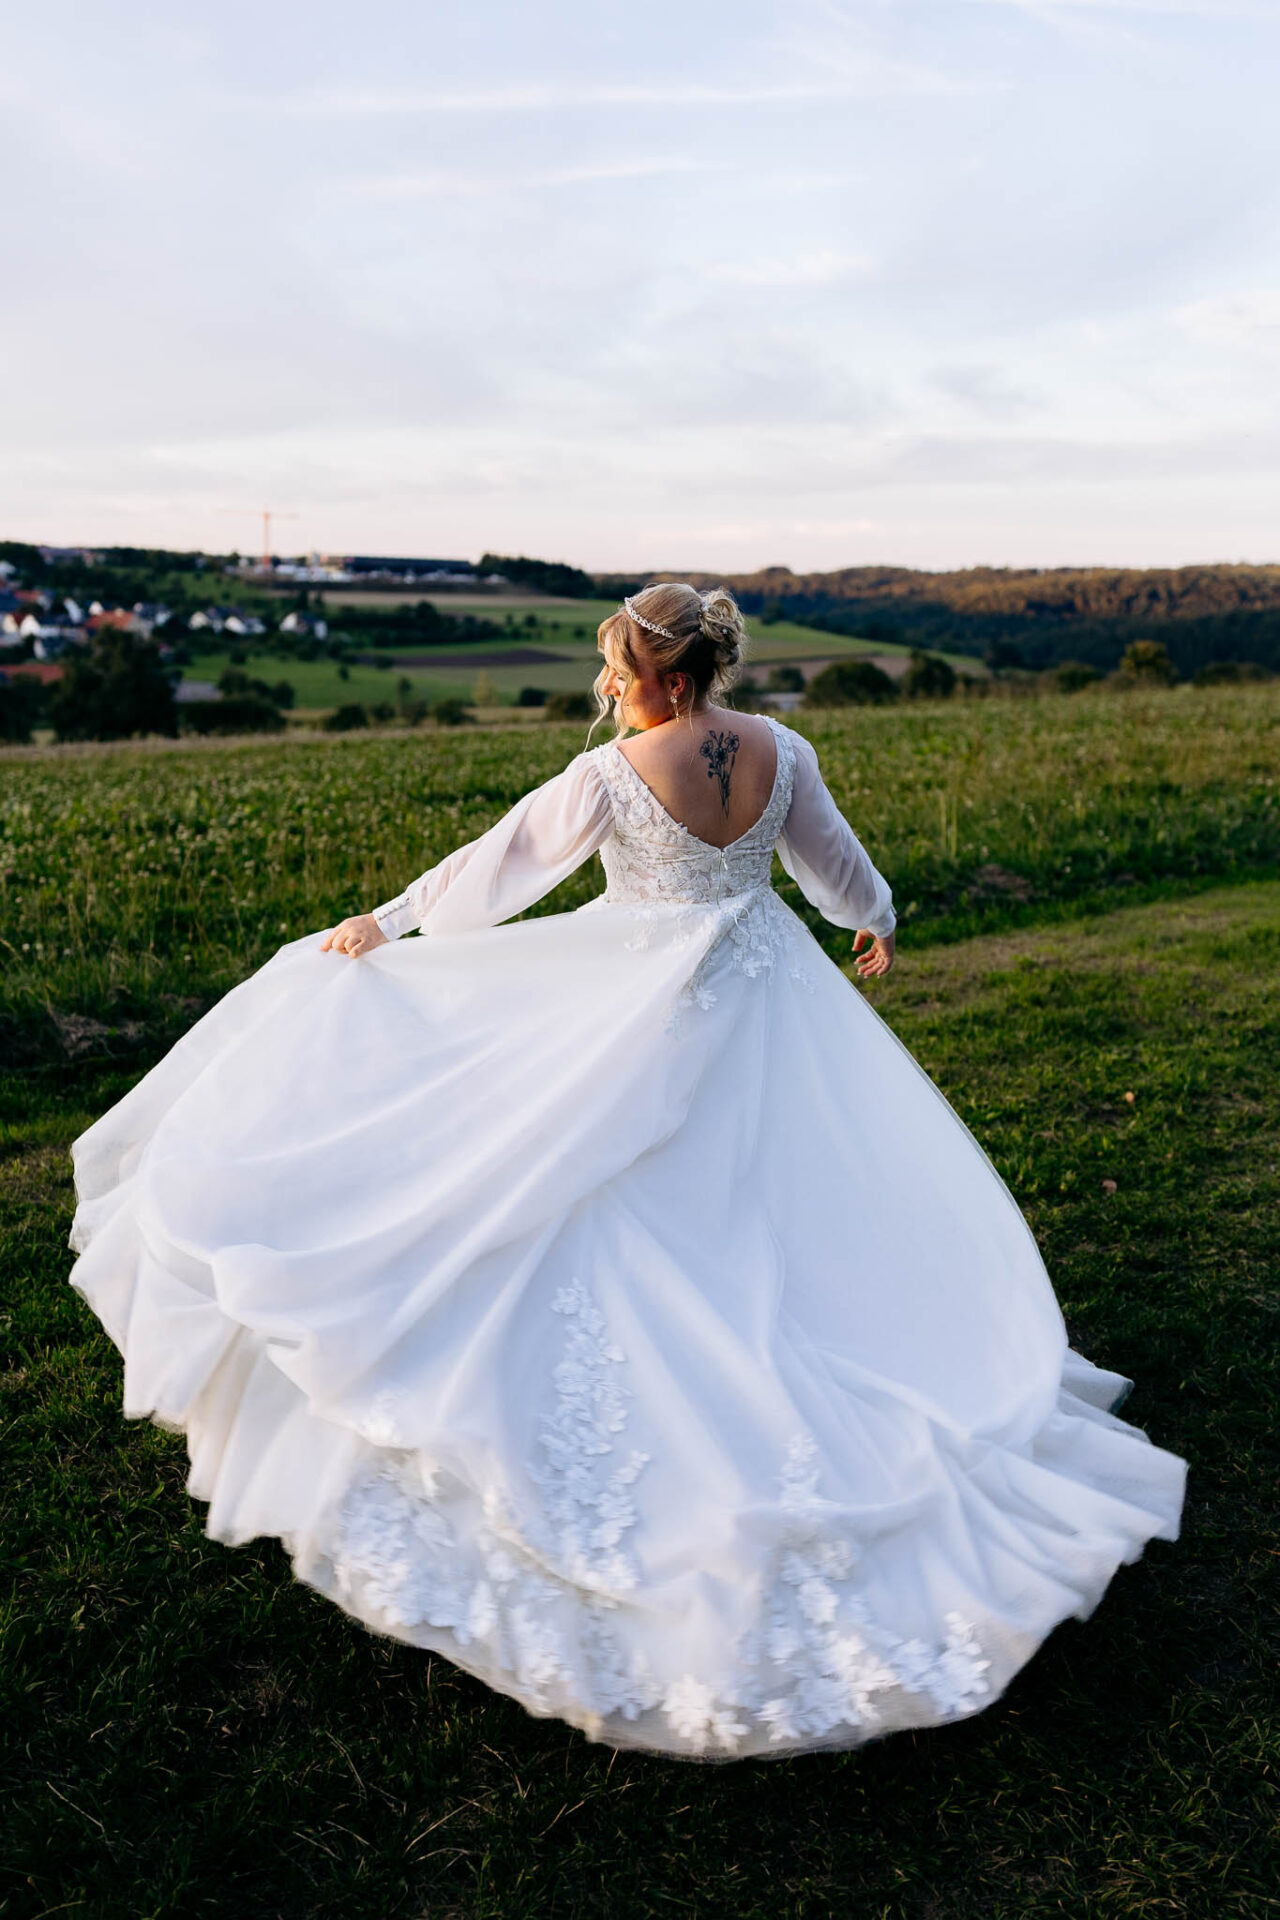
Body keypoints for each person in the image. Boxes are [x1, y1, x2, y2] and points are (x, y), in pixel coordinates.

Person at [67, 582, 1186, 1762]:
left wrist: (390, 923)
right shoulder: (778, 745)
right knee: (777, 1188)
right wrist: (876, 914)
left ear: (661, 676)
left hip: (644, 997)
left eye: (616, 668)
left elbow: (497, 867)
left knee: (636, 1190)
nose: (607, 687)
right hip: (765, 984)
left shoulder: (614, 772)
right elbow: (829, 858)